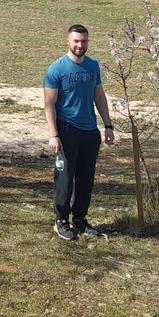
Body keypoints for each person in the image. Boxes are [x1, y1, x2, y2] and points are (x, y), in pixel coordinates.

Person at [43, 24, 116, 240]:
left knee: (86, 179)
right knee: (65, 179)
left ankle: (80, 219)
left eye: (83, 41)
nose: (80, 45)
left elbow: (99, 97)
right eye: (76, 41)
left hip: (89, 131)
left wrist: (108, 125)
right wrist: (54, 134)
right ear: (68, 41)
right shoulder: (56, 69)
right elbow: (49, 103)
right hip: (66, 131)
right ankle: (61, 220)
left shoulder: (93, 67)